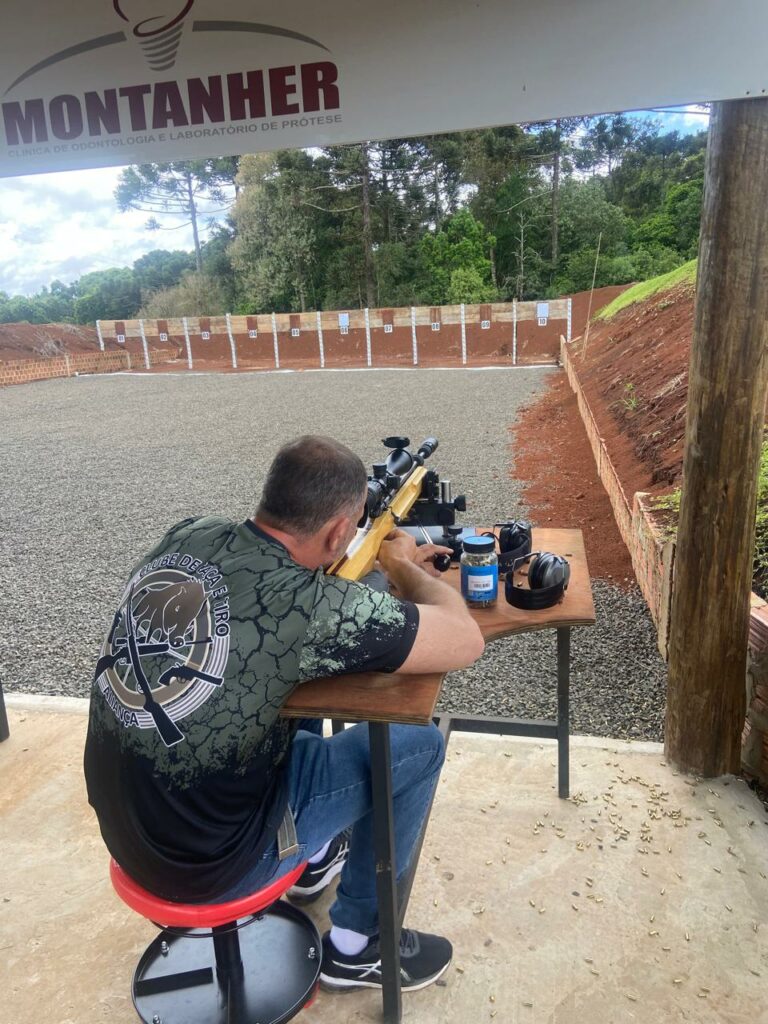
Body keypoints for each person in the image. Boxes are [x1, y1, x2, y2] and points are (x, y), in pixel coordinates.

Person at [84, 435, 484, 993]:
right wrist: (404, 565)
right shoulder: (308, 606)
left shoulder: (188, 534)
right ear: (340, 532)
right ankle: (358, 945)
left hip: (130, 833)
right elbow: (464, 641)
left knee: (280, 701)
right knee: (418, 747)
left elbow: (255, 615)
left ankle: (315, 858)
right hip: (212, 867)